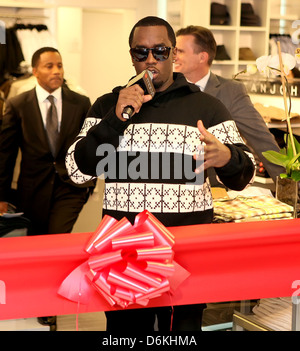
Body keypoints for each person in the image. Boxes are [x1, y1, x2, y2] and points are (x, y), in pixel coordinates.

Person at [65, 16, 255, 331]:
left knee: (181, 334)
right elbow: (76, 171)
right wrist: (115, 119)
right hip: (124, 256)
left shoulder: (206, 108)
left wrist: (228, 157)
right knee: (126, 335)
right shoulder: (106, 106)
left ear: (173, 55)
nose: (151, 60)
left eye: (160, 51)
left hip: (185, 257)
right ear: (131, 56)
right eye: (141, 52)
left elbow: (242, 175)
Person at [0, 47, 94, 236]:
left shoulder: (81, 102)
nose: (56, 71)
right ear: (35, 71)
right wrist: (2, 196)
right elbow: (6, 153)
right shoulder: (18, 104)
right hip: (32, 190)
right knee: (35, 241)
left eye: (59, 66)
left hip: (70, 187)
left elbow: (90, 144)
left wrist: (90, 183)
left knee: (57, 235)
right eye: (49, 66)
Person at [174, 25, 285, 184]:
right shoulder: (167, 89)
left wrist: (287, 187)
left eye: (180, 51)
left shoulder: (231, 92)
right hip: (170, 189)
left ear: (202, 57)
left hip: (213, 190)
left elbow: (261, 140)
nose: (174, 56)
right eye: (174, 51)